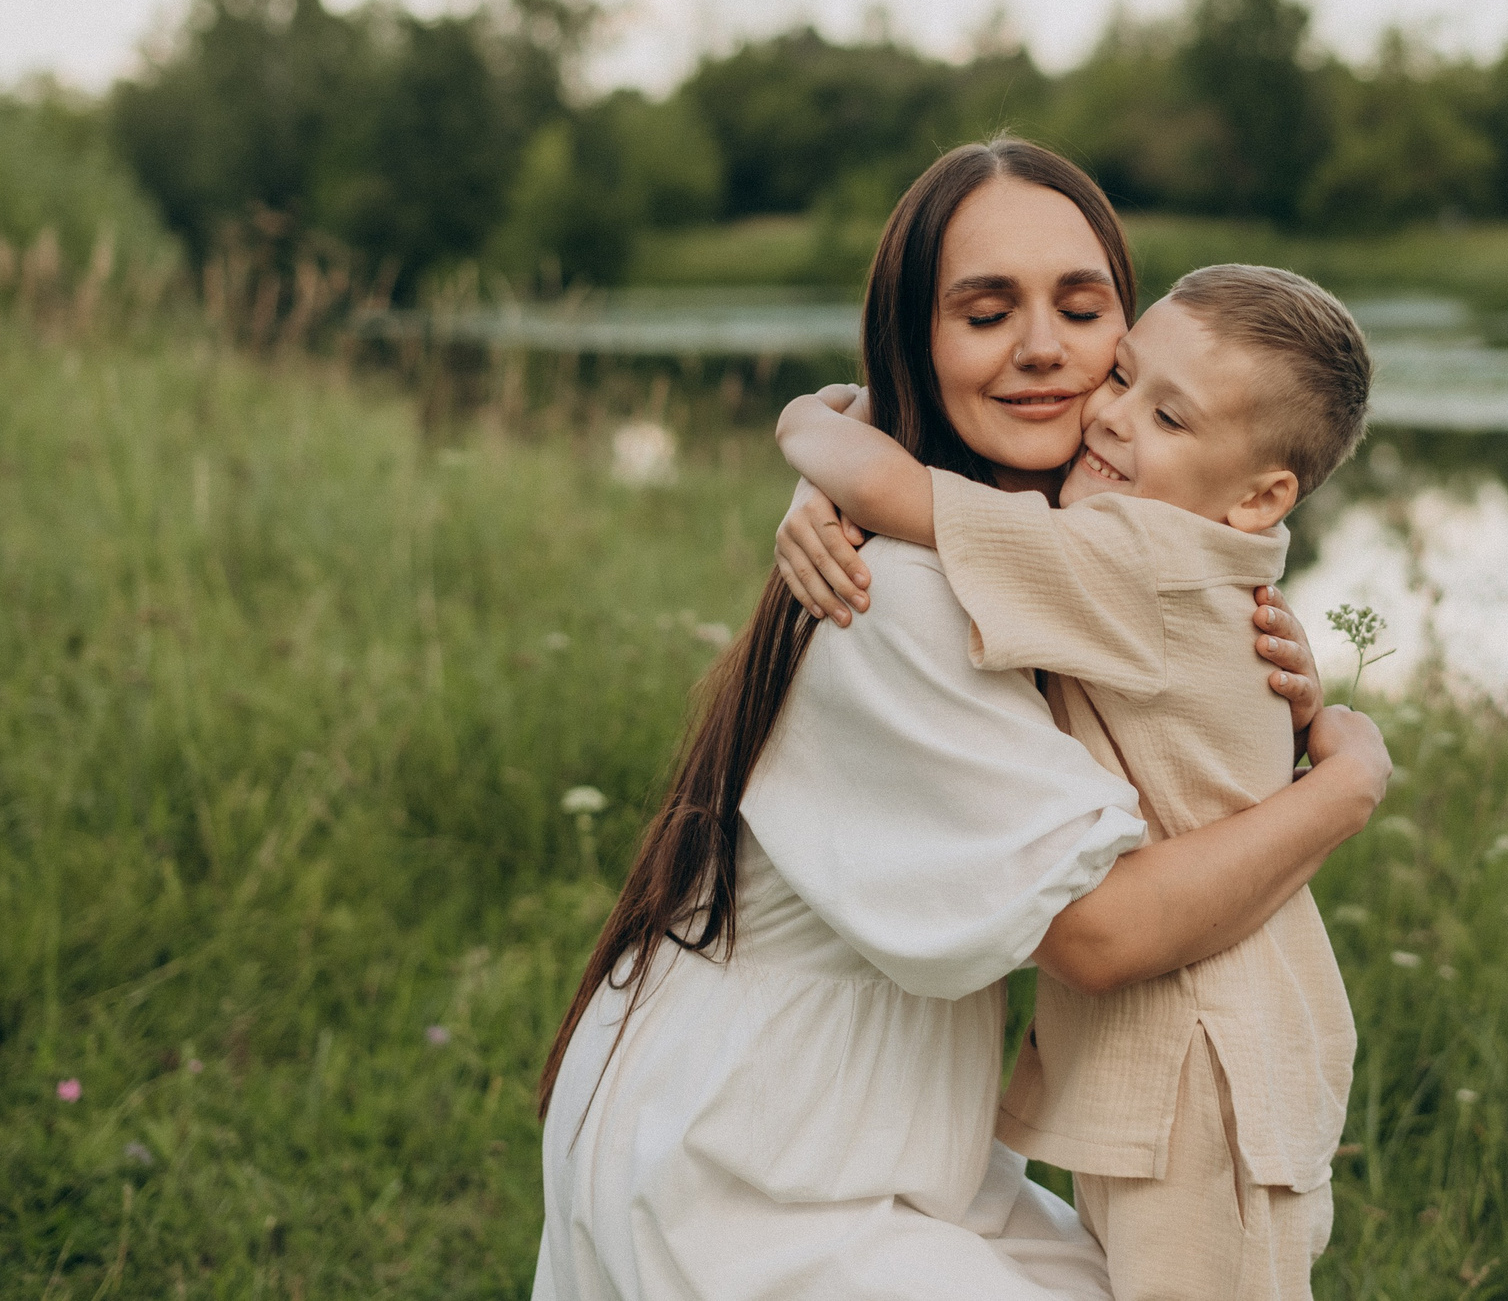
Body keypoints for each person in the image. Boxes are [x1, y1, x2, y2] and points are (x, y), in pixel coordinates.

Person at [532, 138, 1391, 1300]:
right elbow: (1094, 934)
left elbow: (1179, 594)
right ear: (917, 343)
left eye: (1081, 312)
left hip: (888, 1133)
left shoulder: (1050, 557)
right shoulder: (897, 594)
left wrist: (831, 441)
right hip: (755, 1154)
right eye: (985, 314)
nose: (1044, 349)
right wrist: (1343, 788)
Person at [773, 264, 1371, 1300]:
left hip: (1207, 1074)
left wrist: (800, 426)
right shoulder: (1212, 554)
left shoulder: (1135, 555)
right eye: (1123, 376)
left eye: (1168, 417)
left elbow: (889, 491)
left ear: (1261, 495)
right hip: (1198, 1060)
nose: (1113, 418)